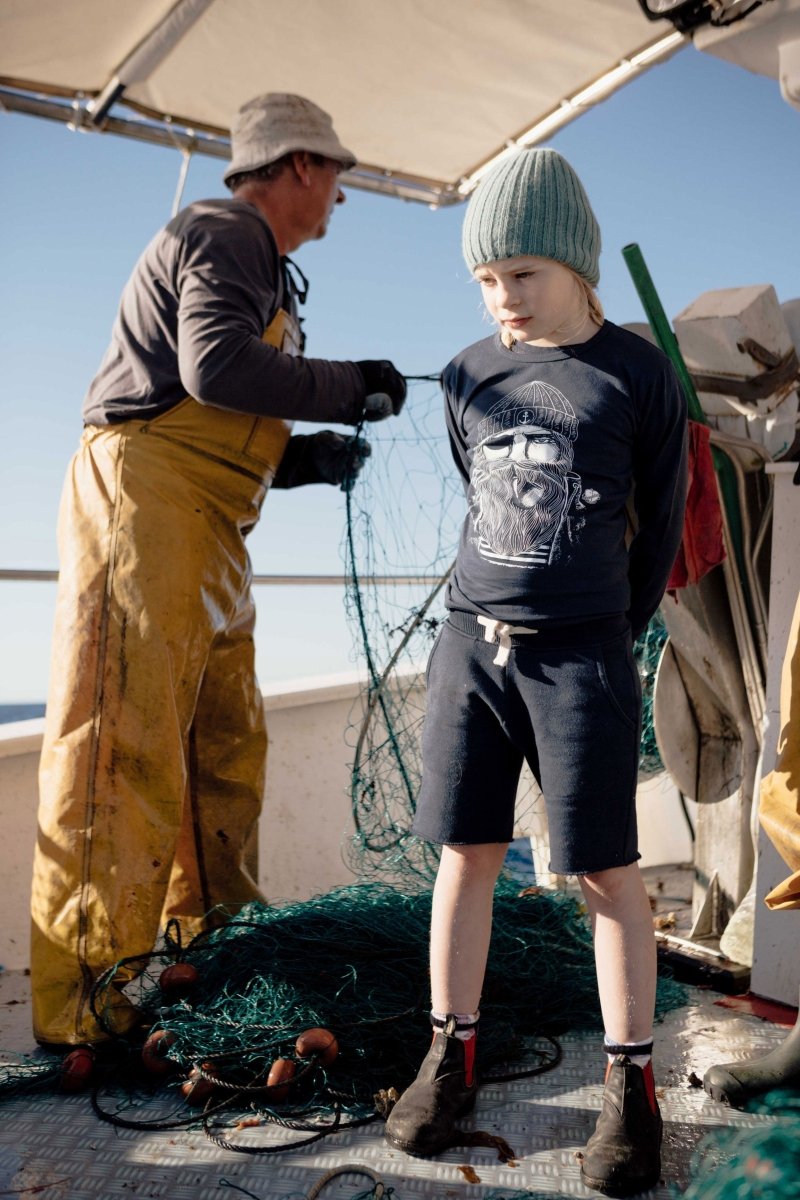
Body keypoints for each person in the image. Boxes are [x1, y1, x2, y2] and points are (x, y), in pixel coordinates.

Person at [30, 92, 407, 1050]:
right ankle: (84, 1007)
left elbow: (232, 414)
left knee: (222, 746)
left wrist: (309, 458)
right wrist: (352, 381)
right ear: (300, 169)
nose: (340, 200)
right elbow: (213, 368)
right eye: (337, 178)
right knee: (125, 742)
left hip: (209, 528)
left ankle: (209, 953)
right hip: (146, 503)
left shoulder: (260, 265)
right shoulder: (225, 229)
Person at [384, 148, 688, 1198]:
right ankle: (447, 1054)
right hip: (471, 645)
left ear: (574, 265)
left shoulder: (636, 373)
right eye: (484, 278)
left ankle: (629, 1088)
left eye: (520, 272)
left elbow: (657, 527)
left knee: (602, 871)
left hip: (582, 654)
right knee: (464, 855)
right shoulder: (468, 371)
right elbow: (479, 495)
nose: (500, 298)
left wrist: (607, 628)